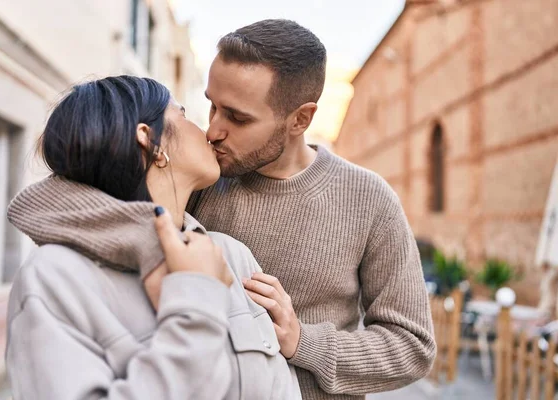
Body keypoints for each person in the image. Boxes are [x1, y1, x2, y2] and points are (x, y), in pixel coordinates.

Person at [5, 76, 301, 399]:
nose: (210, 132)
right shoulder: (55, 278)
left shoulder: (230, 255)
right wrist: (196, 302)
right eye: (183, 114)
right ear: (149, 139)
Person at [186, 19, 436, 399]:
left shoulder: (368, 199)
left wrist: (305, 342)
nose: (213, 130)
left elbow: (412, 346)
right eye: (212, 106)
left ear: (300, 119)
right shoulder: (201, 176)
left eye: (237, 117)